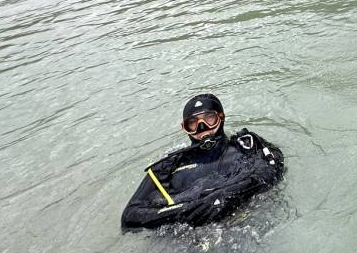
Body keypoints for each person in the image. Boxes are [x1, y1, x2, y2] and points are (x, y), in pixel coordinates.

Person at [121, 93, 285, 230]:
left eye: (209, 118)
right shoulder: (169, 165)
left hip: (239, 229)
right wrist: (184, 212)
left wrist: (223, 196)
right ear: (184, 127)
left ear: (221, 117)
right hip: (184, 246)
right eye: (193, 123)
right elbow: (129, 217)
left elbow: (272, 169)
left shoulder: (246, 146)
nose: (202, 127)